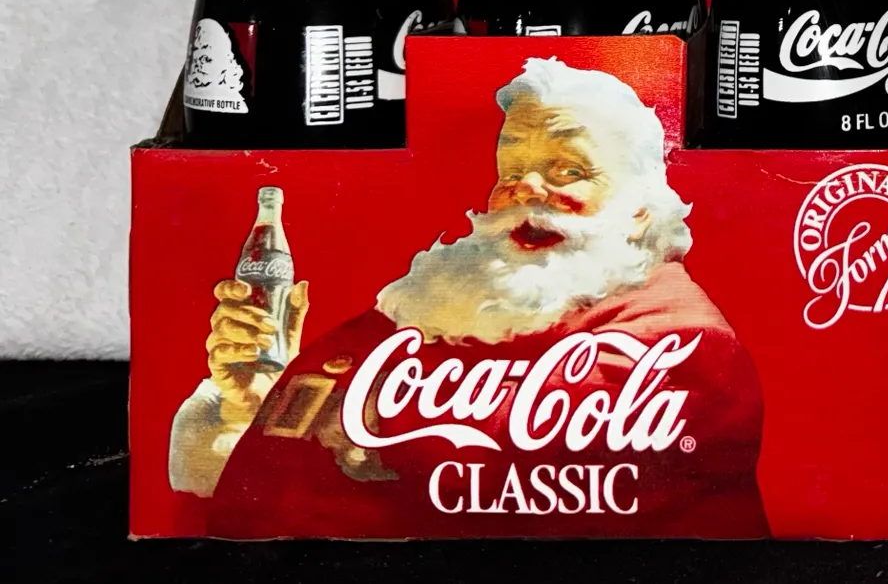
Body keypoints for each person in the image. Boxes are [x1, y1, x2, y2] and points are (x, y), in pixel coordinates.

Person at [168, 58, 768, 537]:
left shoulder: (680, 343)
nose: (524, 188)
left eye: (567, 171)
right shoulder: (454, 291)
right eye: (511, 169)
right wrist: (251, 402)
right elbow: (285, 455)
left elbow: (475, 484)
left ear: (639, 211)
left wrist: (329, 413)